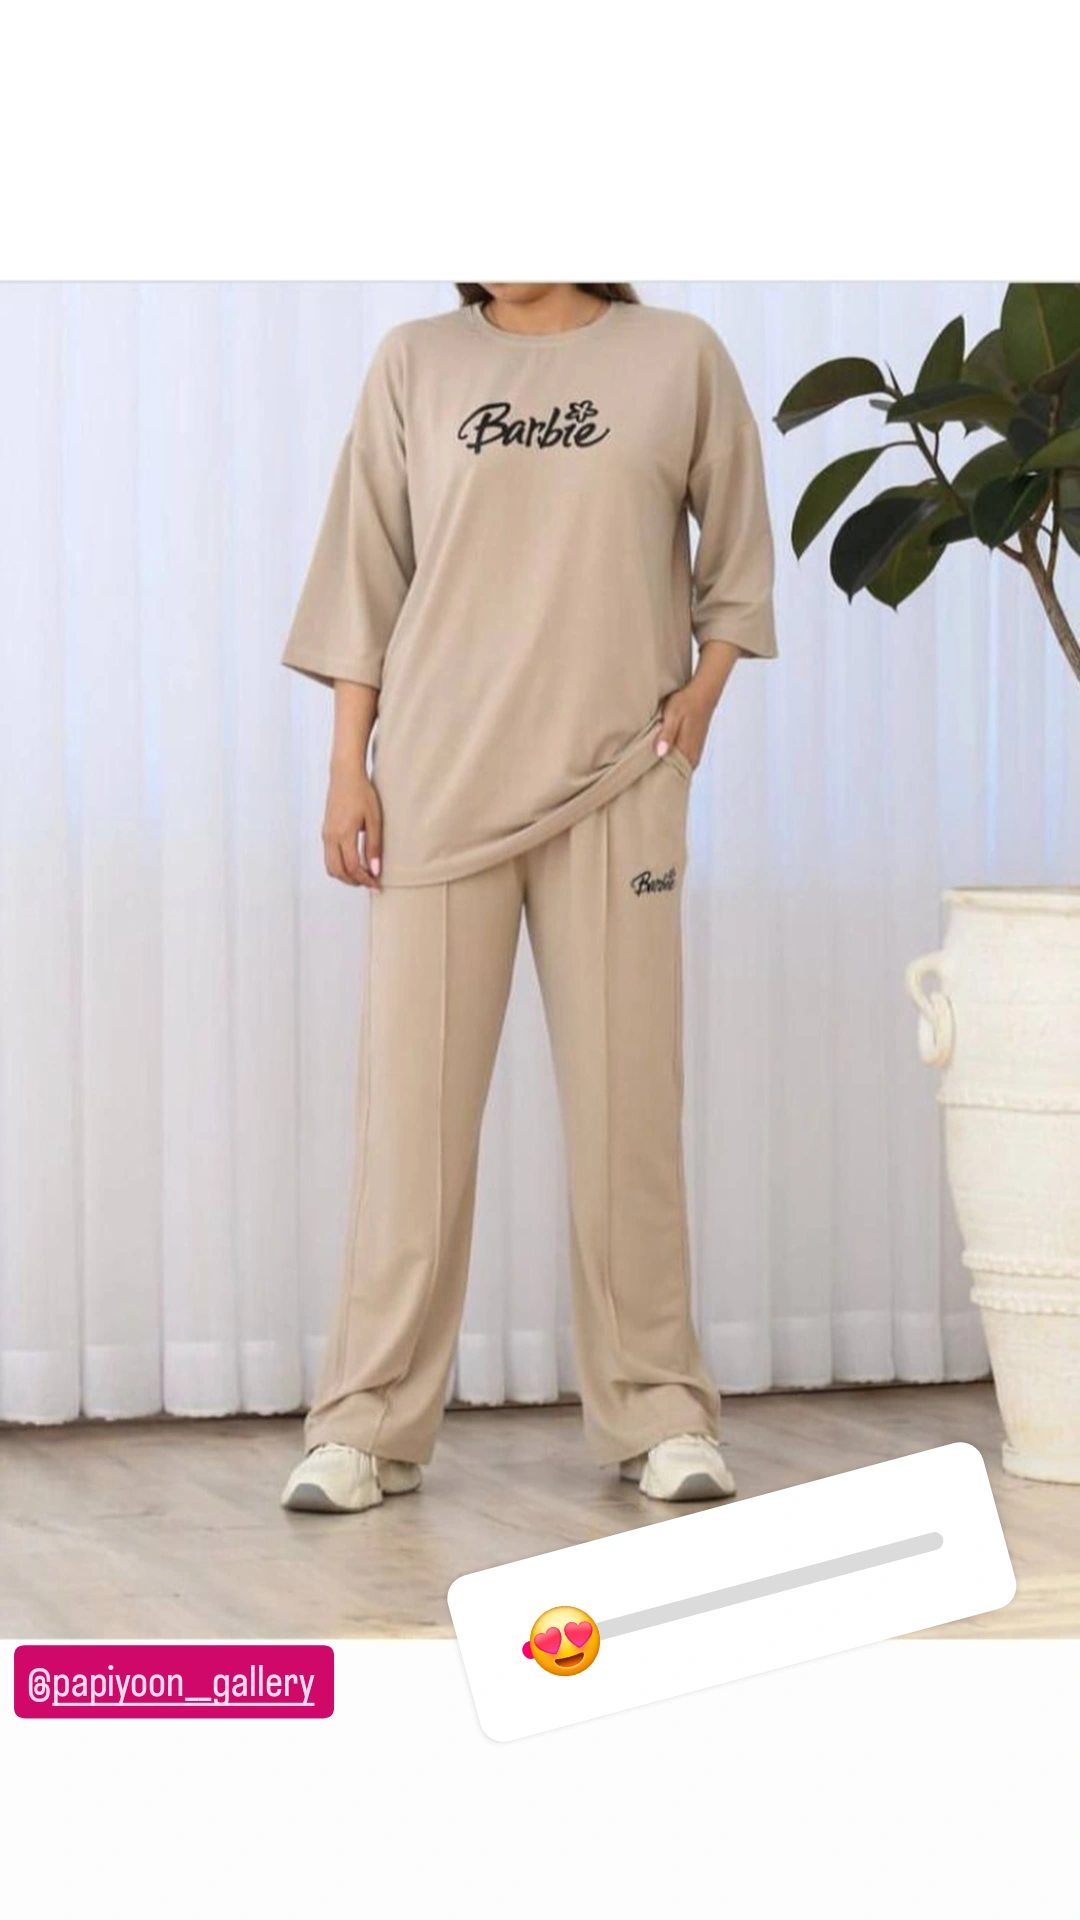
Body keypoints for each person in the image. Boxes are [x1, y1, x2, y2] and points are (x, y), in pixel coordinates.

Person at [278, 281, 778, 1514]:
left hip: (618, 782)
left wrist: (701, 702)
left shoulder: (679, 357)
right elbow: (365, 575)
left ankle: (660, 1410)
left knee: (627, 1117)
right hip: (438, 787)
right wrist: (348, 766)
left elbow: (738, 559)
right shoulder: (416, 362)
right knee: (411, 1127)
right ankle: (364, 1425)